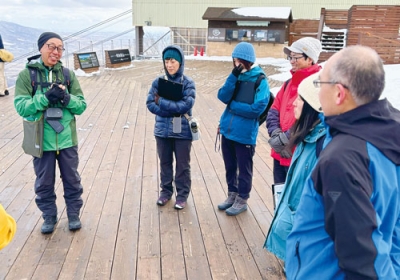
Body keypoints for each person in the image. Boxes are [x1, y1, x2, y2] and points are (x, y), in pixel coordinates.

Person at [285, 45, 400, 279]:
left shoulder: (343, 158)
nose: (317, 94)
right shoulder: (388, 134)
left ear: (339, 93)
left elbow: (364, 260)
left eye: (320, 84)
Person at [14, 32, 87, 234]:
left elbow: (81, 106)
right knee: (44, 181)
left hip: (66, 139)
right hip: (40, 139)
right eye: (51, 46)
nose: (55, 52)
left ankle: (73, 214)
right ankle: (49, 216)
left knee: (72, 179)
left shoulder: (67, 75)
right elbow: (21, 106)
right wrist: (45, 98)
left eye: (60, 48)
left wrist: (66, 98)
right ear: (41, 48)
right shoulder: (27, 75)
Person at [264, 71, 326, 261]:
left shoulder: (321, 146)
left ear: (311, 106)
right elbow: (273, 110)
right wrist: (277, 135)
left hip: (307, 246)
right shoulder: (307, 138)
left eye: (299, 99)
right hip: (296, 240)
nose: (293, 103)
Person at [217, 42, 270, 216]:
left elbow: (258, 108)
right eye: (234, 60)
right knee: (230, 166)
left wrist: (234, 106)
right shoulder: (236, 76)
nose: (236, 63)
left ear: (248, 61)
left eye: (239, 60)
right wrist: (232, 76)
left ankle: (242, 198)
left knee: (244, 169)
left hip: (245, 135)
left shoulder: (260, 79)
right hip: (227, 130)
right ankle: (232, 194)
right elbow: (222, 96)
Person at [146, 45, 196, 210]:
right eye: (166, 61)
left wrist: (162, 102)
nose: (169, 65)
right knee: (165, 163)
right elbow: (149, 103)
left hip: (182, 130)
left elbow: (185, 106)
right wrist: (170, 108)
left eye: (173, 61)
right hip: (162, 130)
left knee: (182, 165)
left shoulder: (188, 83)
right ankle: (166, 192)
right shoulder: (158, 82)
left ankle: (182, 196)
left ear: (180, 62)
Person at [266, 37, 322, 184]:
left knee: (296, 200)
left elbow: (313, 120)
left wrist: (287, 140)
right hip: (279, 153)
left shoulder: (318, 85)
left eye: (295, 57)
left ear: (310, 59)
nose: (291, 61)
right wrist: (276, 135)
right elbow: (273, 111)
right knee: (279, 196)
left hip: (301, 155)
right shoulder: (287, 84)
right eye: (290, 57)